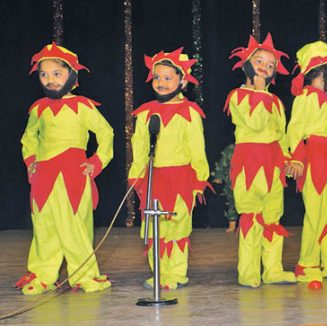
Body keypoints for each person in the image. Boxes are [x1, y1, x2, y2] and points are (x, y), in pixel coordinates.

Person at [17, 42, 114, 295]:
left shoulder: (83, 105)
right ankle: (42, 274)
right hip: (44, 176)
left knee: (74, 227)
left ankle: (84, 275)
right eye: (43, 74)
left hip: (73, 173)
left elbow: (106, 133)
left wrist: (96, 162)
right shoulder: (38, 108)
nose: (50, 80)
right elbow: (29, 139)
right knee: (44, 227)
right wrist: (31, 162)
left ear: (71, 75)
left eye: (56, 74)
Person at [128, 47, 210, 290]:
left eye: (168, 78)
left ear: (182, 81)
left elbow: (197, 149)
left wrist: (198, 181)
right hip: (154, 177)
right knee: (155, 227)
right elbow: (139, 147)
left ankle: (175, 273)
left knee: (177, 226)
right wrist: (137, 177)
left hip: (181, 177)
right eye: (157, 77)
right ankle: (159, 273)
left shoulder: (190, 113)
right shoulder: (145, 114)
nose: (161, 83)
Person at [226, 33, 297, 287]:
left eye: (270, 64)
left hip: (273, 165)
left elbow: (281, 135)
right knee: (251, 217)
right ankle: (248, 272)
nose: (265, 67)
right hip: (249, 163)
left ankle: (273, 270)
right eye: (260, 62)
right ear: (246, 64)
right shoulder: (238, 96)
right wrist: (257, 91)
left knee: (272, 218)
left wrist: (289, 158)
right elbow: (256, 124)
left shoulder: (276, 102)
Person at [285, 41, 327, 290]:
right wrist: (297, 159)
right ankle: (308, 264)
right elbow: (295, 130)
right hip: (315, 158)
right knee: (314, 213)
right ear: (322, 71)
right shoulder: (306, 97)